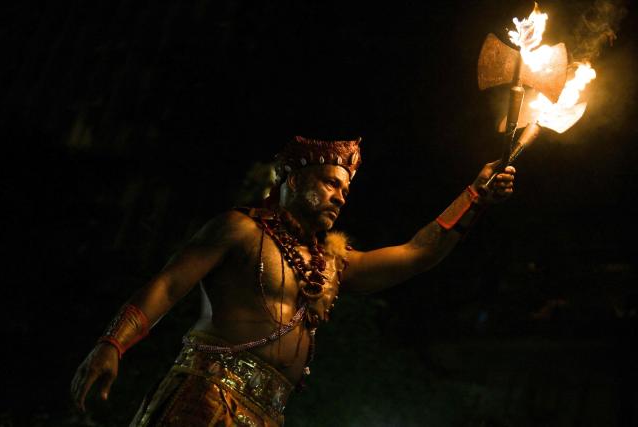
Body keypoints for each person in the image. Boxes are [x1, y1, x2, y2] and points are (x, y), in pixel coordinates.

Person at [71, 135, 515, 426]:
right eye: (329, 183)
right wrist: (112, 344)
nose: (340, 197)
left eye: (345, 190)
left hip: (271, 414)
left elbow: (420, 253)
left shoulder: (333, 264)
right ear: (292, 179)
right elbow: (168, 285)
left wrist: (474, 195)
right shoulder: (239, 229)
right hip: (207, 396)